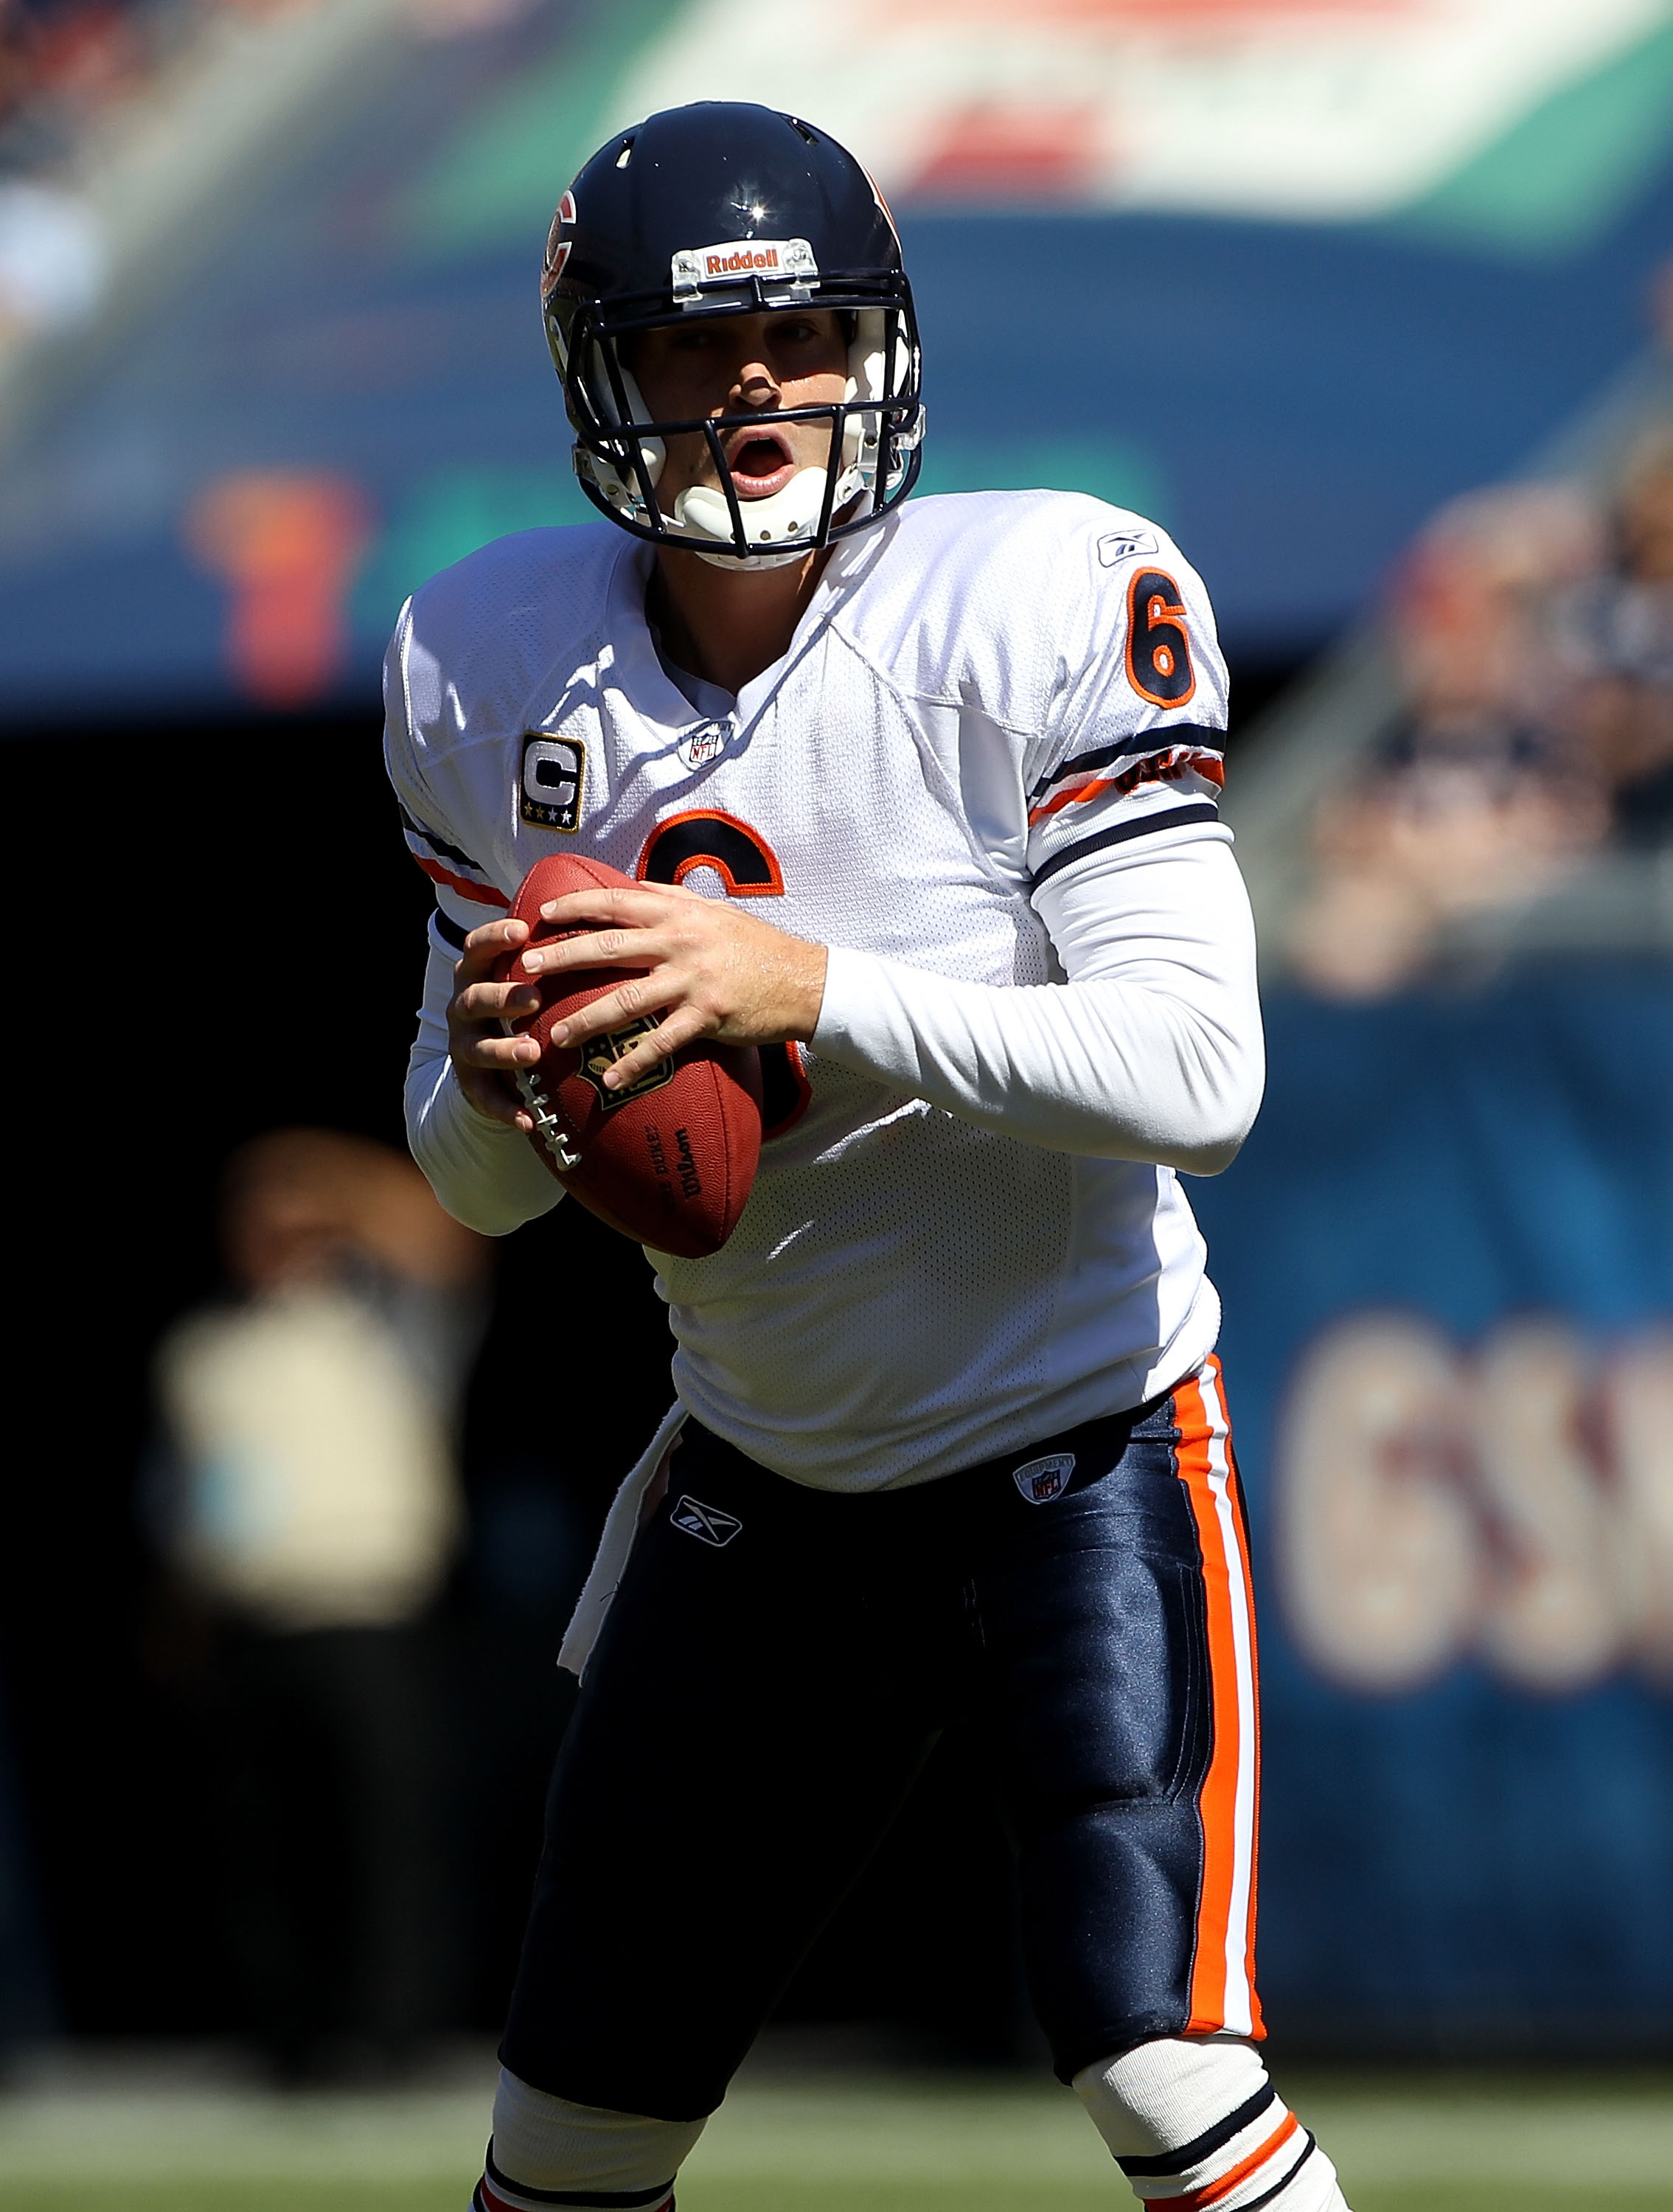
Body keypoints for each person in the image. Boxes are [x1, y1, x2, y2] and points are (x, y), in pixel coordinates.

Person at [385, 101, 1351, 2212]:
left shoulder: (1035, 593)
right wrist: (488, 1081)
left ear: (876, 345)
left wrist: (791, 985)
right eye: (683, 351)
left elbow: (1198, 1070)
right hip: (763, 1475)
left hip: (1072, 1440)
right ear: (595, 375)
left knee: (1162, 2066)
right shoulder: (479, 660)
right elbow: (468, 1190)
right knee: (566, 2139)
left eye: (798, 336)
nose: (749, 392)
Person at [152, 1128, 484, 2076]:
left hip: (371, 1610)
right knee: (265, 1850)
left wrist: (319, 1177)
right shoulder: (204, 1345)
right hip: (256, 1619)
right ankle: (287, 2043)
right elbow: (184, 1497)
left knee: (385, 1839)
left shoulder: (385, 1322)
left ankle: (393, 2039)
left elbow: (445, 1237)